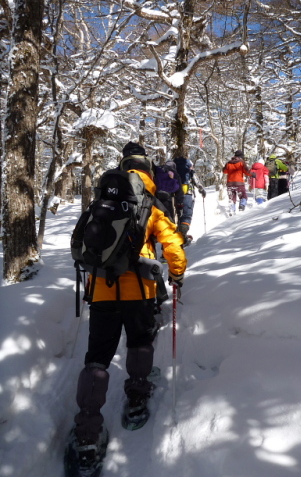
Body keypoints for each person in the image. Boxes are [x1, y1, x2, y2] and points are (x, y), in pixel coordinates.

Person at [72, 142, 187, 467]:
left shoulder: (105, 199)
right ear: (148, 170)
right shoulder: (150, 204)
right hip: (141, 290)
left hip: (102, 291)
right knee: (139, 341)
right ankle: (136, 398)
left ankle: (87, 435)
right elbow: (174, 247)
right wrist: (176, 276)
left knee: (97, 359)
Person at [173, 156, 206, 240]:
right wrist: (202, 190)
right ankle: (183, 236)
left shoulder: (173, 171)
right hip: (187, 194)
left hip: (174, 195)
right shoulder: (189, 171)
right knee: (186, 215)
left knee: (176, 215)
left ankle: (174, 236)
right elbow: (197, 182)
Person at [222, 150, 251, 214]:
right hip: (239, 183)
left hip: (230, 183)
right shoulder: (242, 163)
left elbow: (224, 171)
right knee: (243, 196)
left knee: (232, 198)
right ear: (241, 156)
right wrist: (253, 174)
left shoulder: (228, 163)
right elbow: (247, 171)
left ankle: (232, 210)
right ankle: (242, 206)